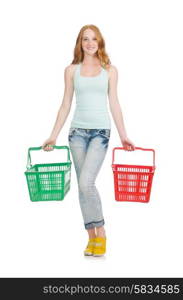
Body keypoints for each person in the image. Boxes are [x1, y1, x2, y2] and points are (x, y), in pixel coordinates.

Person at [42, 24, 135, 257]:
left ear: (100, 42)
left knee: (86, 183)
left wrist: (123, 136)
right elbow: (65, 105)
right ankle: (91, 237)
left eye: (94, 39)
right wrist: (53, 135)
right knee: (83, 188)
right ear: (80, 43)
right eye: (85, 39)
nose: (90, 43)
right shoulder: (71, 70)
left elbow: (114, 103)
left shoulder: (110, 70)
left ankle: (101, 232)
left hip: (100, 133)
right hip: (77, 134)